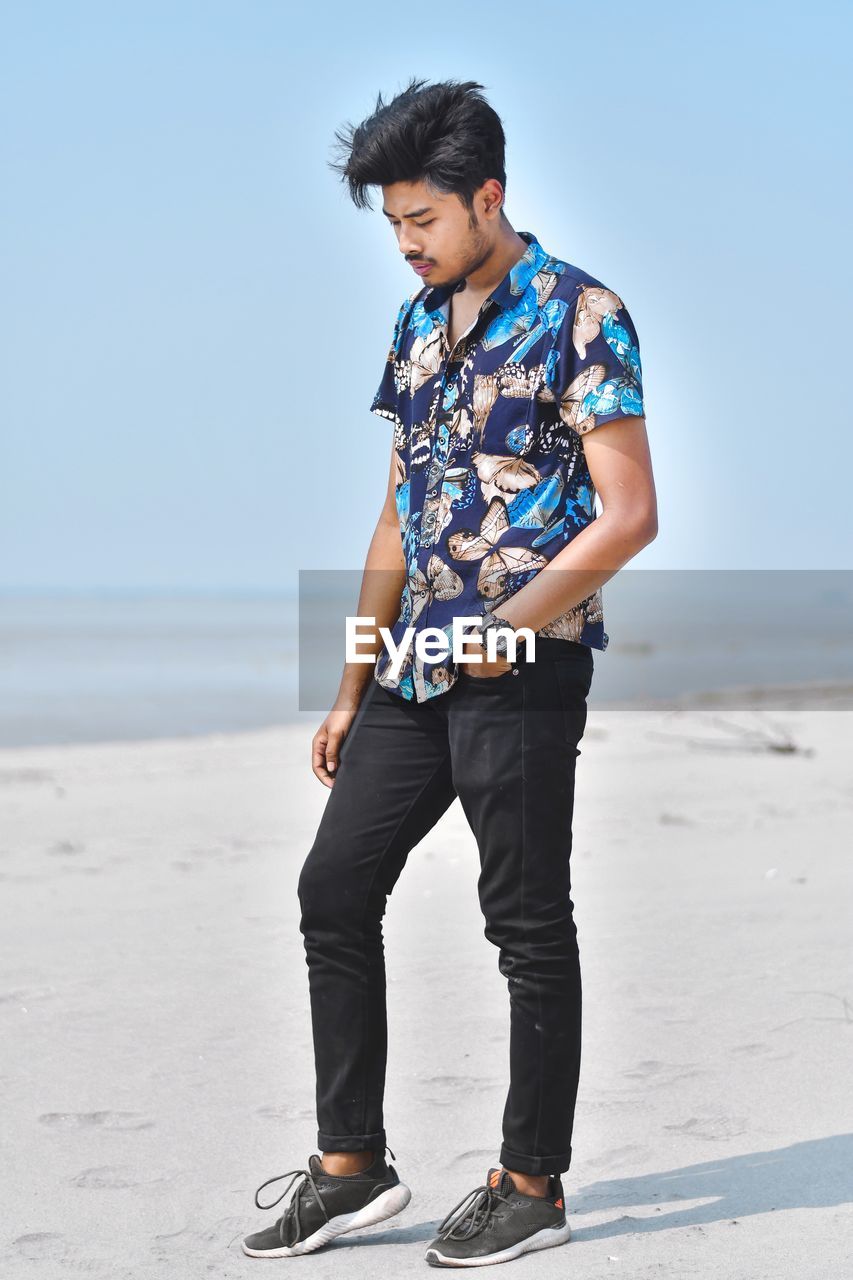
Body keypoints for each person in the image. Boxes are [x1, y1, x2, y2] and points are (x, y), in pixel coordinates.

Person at [242, 76, 658, 1267]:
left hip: (524, 669)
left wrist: (511, 619)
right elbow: (394, 521)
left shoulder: (584, 314)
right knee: (334, 889)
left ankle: (531, 1180)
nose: (408, 246)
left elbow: (629, 514)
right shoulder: (415, 327)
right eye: (393, 228)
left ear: (489, 196)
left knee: (523, 920)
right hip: (414, 669)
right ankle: (350, 1165)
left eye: (423, 220)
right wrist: (351, 682)